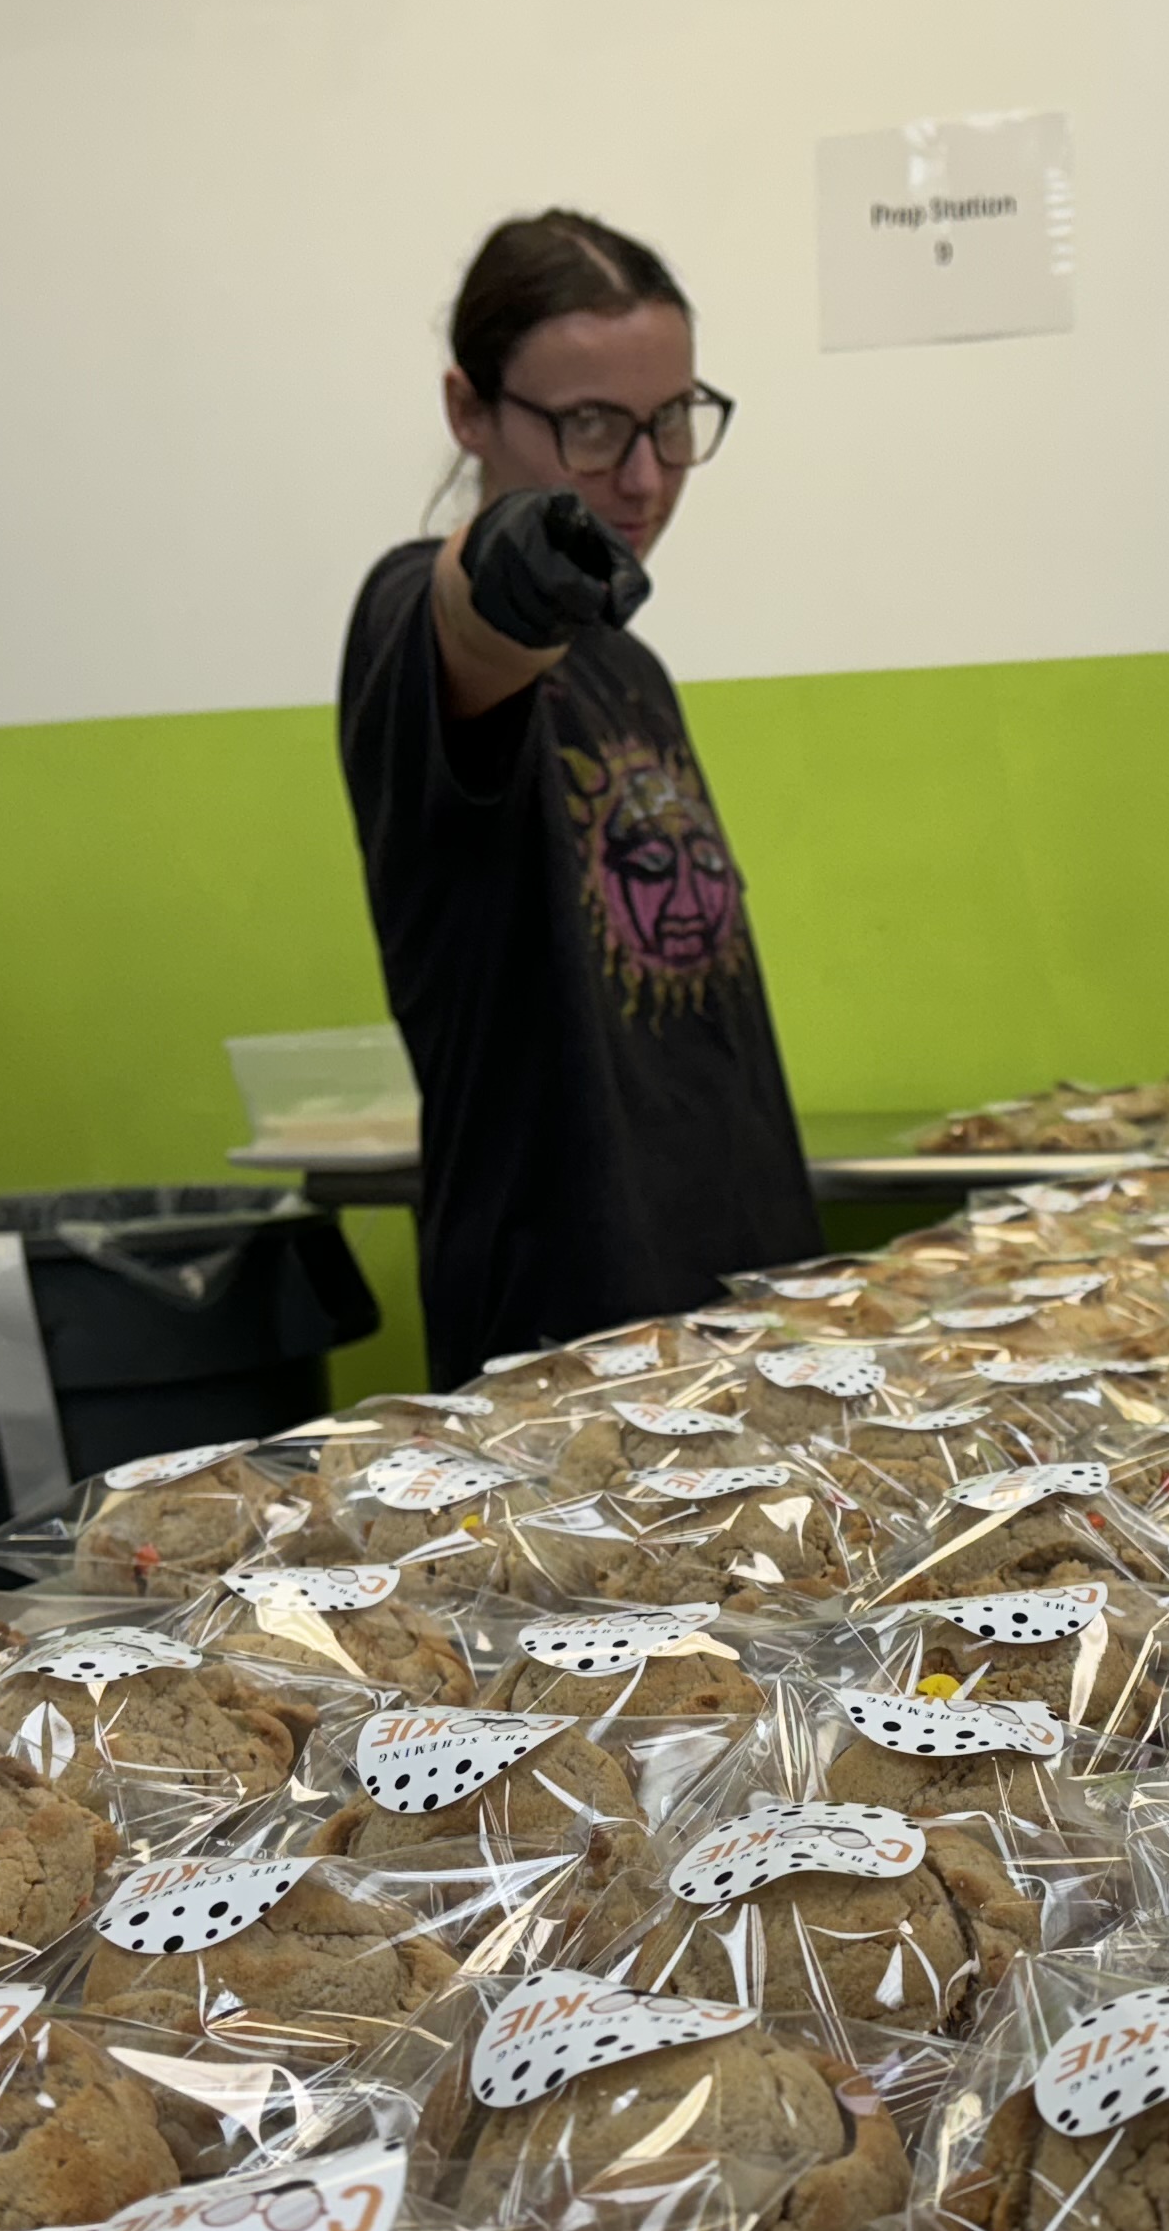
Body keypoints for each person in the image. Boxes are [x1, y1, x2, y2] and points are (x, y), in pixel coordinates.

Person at [335, 209, 823, 1387]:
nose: (645, 476)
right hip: (563, 1347)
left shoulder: (633, 669)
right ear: (469, 411)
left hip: (737, 1321)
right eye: (593, 427)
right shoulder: (411, 618)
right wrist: (524, 553)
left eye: (673, 420)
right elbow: (477, 609)